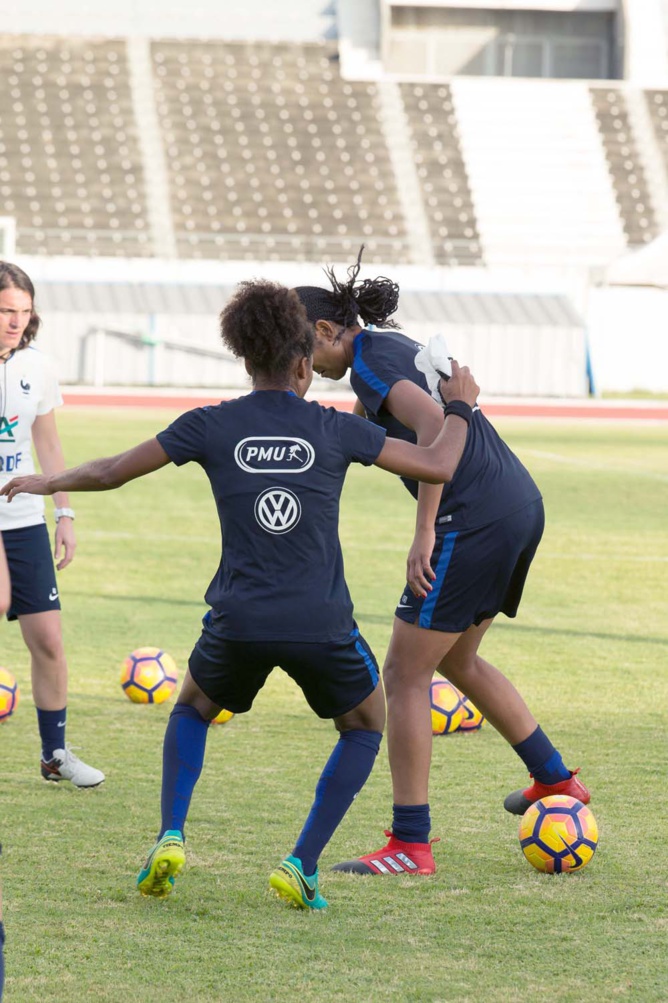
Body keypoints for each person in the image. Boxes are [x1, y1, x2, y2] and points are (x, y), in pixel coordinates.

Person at [1, 279, 479, 909]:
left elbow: (112, 471)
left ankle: (171, 835)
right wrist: (460, 406)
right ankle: (302, 863)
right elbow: (440, 463)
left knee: (191, 709)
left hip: (238, 620)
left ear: (246, 359)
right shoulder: (335, 428)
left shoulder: (210, 424)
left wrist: (47, 481)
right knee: (366, 724)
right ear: (304, 365)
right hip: (320, 623)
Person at [293, 250, 590, 876]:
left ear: (324, 330)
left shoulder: (369, 364)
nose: (305, 365)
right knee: (458, 659)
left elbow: (434, 428)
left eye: (303, 350)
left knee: (403, 674)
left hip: (470, 517)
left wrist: (424, 529)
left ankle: (410, 844)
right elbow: (393, 419)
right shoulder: (385, 350)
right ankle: (556, 779)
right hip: (516, 503)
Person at [0, 262, 104, 787]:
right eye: (5, 310)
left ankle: (54, 755)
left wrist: (64, 512)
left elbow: (48, 444)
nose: (15, 321)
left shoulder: (37, 366)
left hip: (23, 516)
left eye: (22, 311)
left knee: (48, 639)